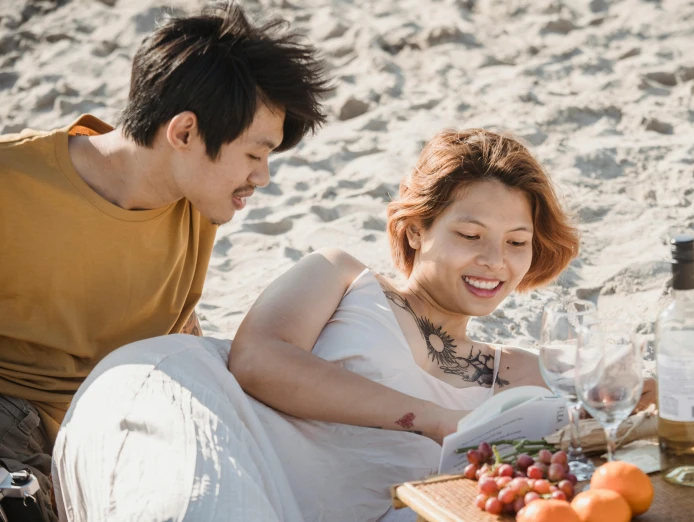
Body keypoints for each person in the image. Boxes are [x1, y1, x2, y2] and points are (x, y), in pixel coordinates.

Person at [52, 129, 584, 522]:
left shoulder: (522, 370)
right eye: (470, 234)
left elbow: (628, 408)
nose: (495, 259)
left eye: (517, 242)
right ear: (417, 230)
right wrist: (434, 418)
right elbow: (258, 360)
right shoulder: (342, 275)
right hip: (228, 438)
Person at [0, 3, 329, 520]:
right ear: (183, 133)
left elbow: (177, 329)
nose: (263, 177)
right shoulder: (12, 184)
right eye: (254, 154)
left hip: (123, 428)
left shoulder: (197, 203)